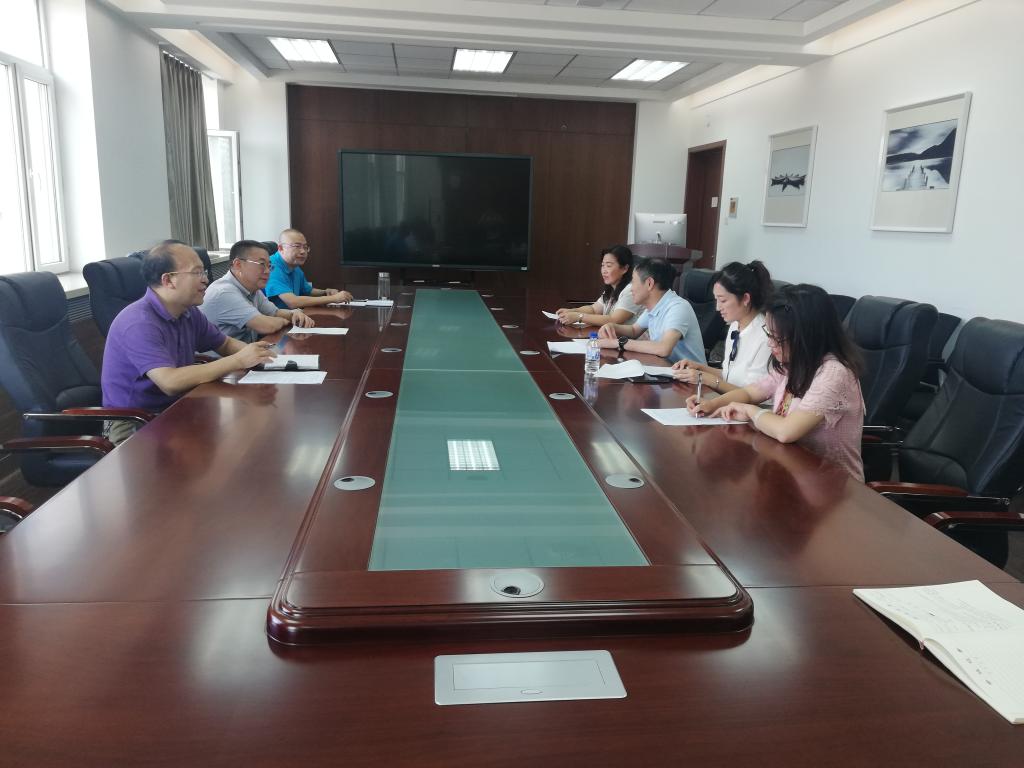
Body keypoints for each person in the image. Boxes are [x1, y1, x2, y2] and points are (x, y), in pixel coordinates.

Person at [101, 241, 278, 444]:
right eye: (197, 273)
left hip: (176, 404)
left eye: (204, 272)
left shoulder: (188, 312)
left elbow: (224, 344)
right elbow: (170, 382)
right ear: (168, 280)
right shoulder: (138, 322)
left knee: (245, 435)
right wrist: (238, 360)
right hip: (134, 420)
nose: (206, 280)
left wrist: (257, 355)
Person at [689, 284, 865, 480]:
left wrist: (750, 411)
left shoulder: (834, 373)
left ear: (805, 336)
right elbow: (750, 392)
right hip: (789, 470)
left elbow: (786, 431)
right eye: (769, 334)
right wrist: (711, 404)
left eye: (777, 338)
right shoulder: (793, 363)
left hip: (832, 484)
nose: (770, 343)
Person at [671, 260, 774, 394]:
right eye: (716, 300)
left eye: (723, 300)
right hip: (728, 400)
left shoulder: (766, 338)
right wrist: (699, 368)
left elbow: (752, 395)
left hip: (747, 406)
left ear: (745, 299)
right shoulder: (735, 325)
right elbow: (729, 375)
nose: (717, 308)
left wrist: (705, 378)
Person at [201, 239, 315, 343]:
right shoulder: (224, 292)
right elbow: (266, 326)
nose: (267, 271)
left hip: (247, 352)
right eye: (262, 264)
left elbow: (275, 313)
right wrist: (287, 320)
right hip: (224, 358)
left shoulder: (252, 288)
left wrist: (294, 314)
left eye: (269, 266)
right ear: (238, 265)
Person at [597, 257, 705, 363]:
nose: (631, 288)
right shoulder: (655, 305)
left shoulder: (678, 307)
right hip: (664, 367)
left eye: (633, 282)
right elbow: (634, 330)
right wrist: (612, 327)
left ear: (649, 283)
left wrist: (619, 343)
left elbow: (664, 348)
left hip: (690, 373)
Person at [555, 245, 642, 327]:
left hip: (630, 338)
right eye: (603, 265)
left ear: (625, 268)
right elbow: (594, 309)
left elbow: (614, 320)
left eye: (608, 266)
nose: (604, 271)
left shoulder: (630, 290)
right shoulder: (611, 289)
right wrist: (572, 311)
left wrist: (579, 317)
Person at [266, 228, 354, 309]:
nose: (303, 251)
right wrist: (333, 298)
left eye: (305, 247)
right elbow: (292, 302)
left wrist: (325, 292)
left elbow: (307, 291)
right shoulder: (270, 267)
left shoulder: (294, 265)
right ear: (281, 248)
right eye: (297, 246)